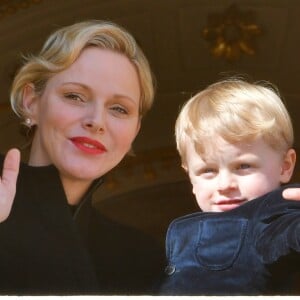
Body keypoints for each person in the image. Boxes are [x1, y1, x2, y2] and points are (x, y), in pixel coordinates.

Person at [0, 20, 165, 295]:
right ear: (31, 102)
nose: (96, 121)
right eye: (75, 96)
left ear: (135, 131)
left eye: (119, 109)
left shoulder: (142, 259)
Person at [158, 78, 300, 295]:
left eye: (243, 166)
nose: (225, 185)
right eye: (208, 171)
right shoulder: (177, 237)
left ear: (285, 166)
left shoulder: (273, 218)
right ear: (191, 178)